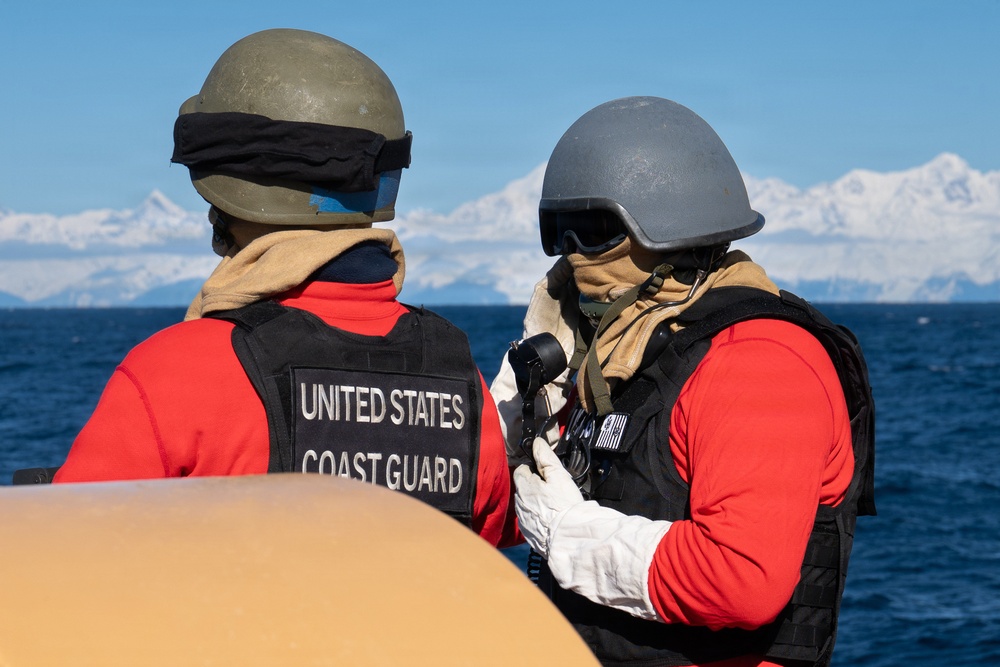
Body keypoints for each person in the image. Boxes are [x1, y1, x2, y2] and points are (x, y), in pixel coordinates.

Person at [53, 29, 512, 546]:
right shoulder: (462, 382)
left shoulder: (172, 374)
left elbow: (68, 554)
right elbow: (490, 537)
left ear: (226, 191)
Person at [491, 97, 876, 665]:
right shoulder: (616, 358)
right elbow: (506, 513)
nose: (572, 256)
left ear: (672, 234)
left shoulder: (759, 363)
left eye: (593, 231)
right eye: (559, 233)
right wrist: (513, 429)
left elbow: (742, 578)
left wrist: (571, 536)